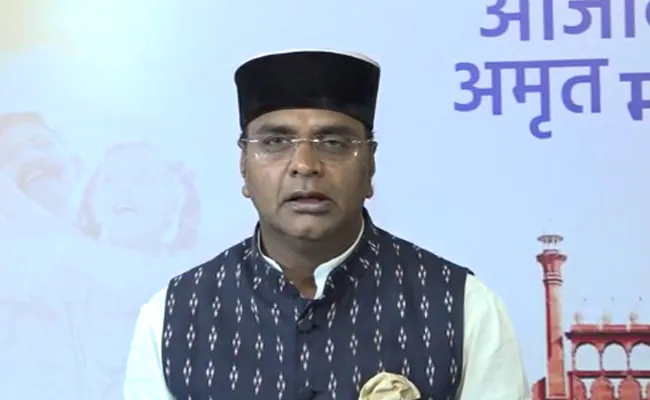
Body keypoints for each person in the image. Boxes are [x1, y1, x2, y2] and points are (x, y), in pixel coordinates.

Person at [123, 49, 529, 400]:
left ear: (370, 165)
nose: (305, 165)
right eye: (275, 142)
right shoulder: (172, 317)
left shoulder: (463, 307)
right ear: (243, 166)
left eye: (334, 143)